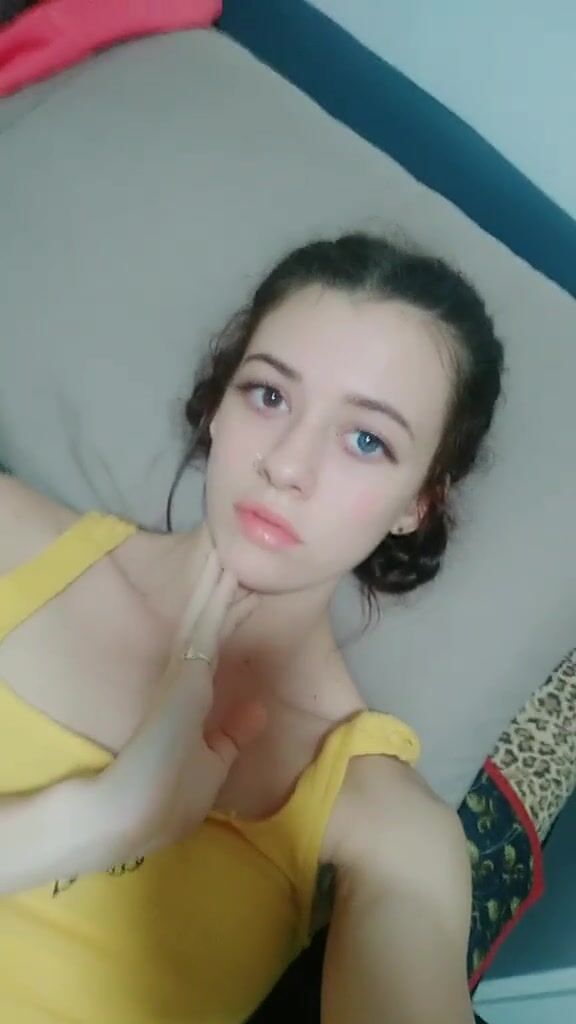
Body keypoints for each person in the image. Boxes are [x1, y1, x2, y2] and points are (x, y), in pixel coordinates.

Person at [0, 232, 504, 1023]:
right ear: (219, 404)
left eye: (366, 440)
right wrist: (99, 819)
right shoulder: (11, 538)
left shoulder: (386, 822)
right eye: (269, 396)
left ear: (417, 503)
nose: (287, 465)